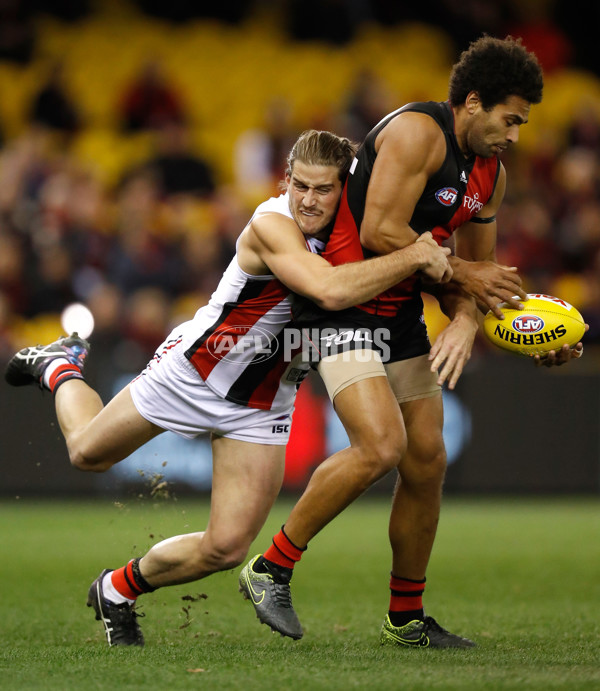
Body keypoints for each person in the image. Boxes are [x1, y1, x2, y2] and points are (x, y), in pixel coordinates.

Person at [4, 130, 453, 647]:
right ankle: (60, 367)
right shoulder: (271, 223)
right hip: (195, 374)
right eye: (299, 184)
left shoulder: (358, 235)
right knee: (86, 453)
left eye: (323, 189)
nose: (307, 199)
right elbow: (329, 291)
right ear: (285, 180)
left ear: (344, 190)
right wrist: (417, 254)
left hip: (262, 405)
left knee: (227, 549)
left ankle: (116, 589)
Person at [239, 36, 586, 648]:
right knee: (381, 447)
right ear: (472, 103)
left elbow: (482, 277)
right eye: (509, 119)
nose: (514, 134)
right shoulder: (417, 133)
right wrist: (463, 281)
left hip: (398, 309)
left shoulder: (492, 178)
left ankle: (406, 618)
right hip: (341, 299)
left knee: (426, 459)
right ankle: (271, 566)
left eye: (522, 124)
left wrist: (493, 328)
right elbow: (377, 231)